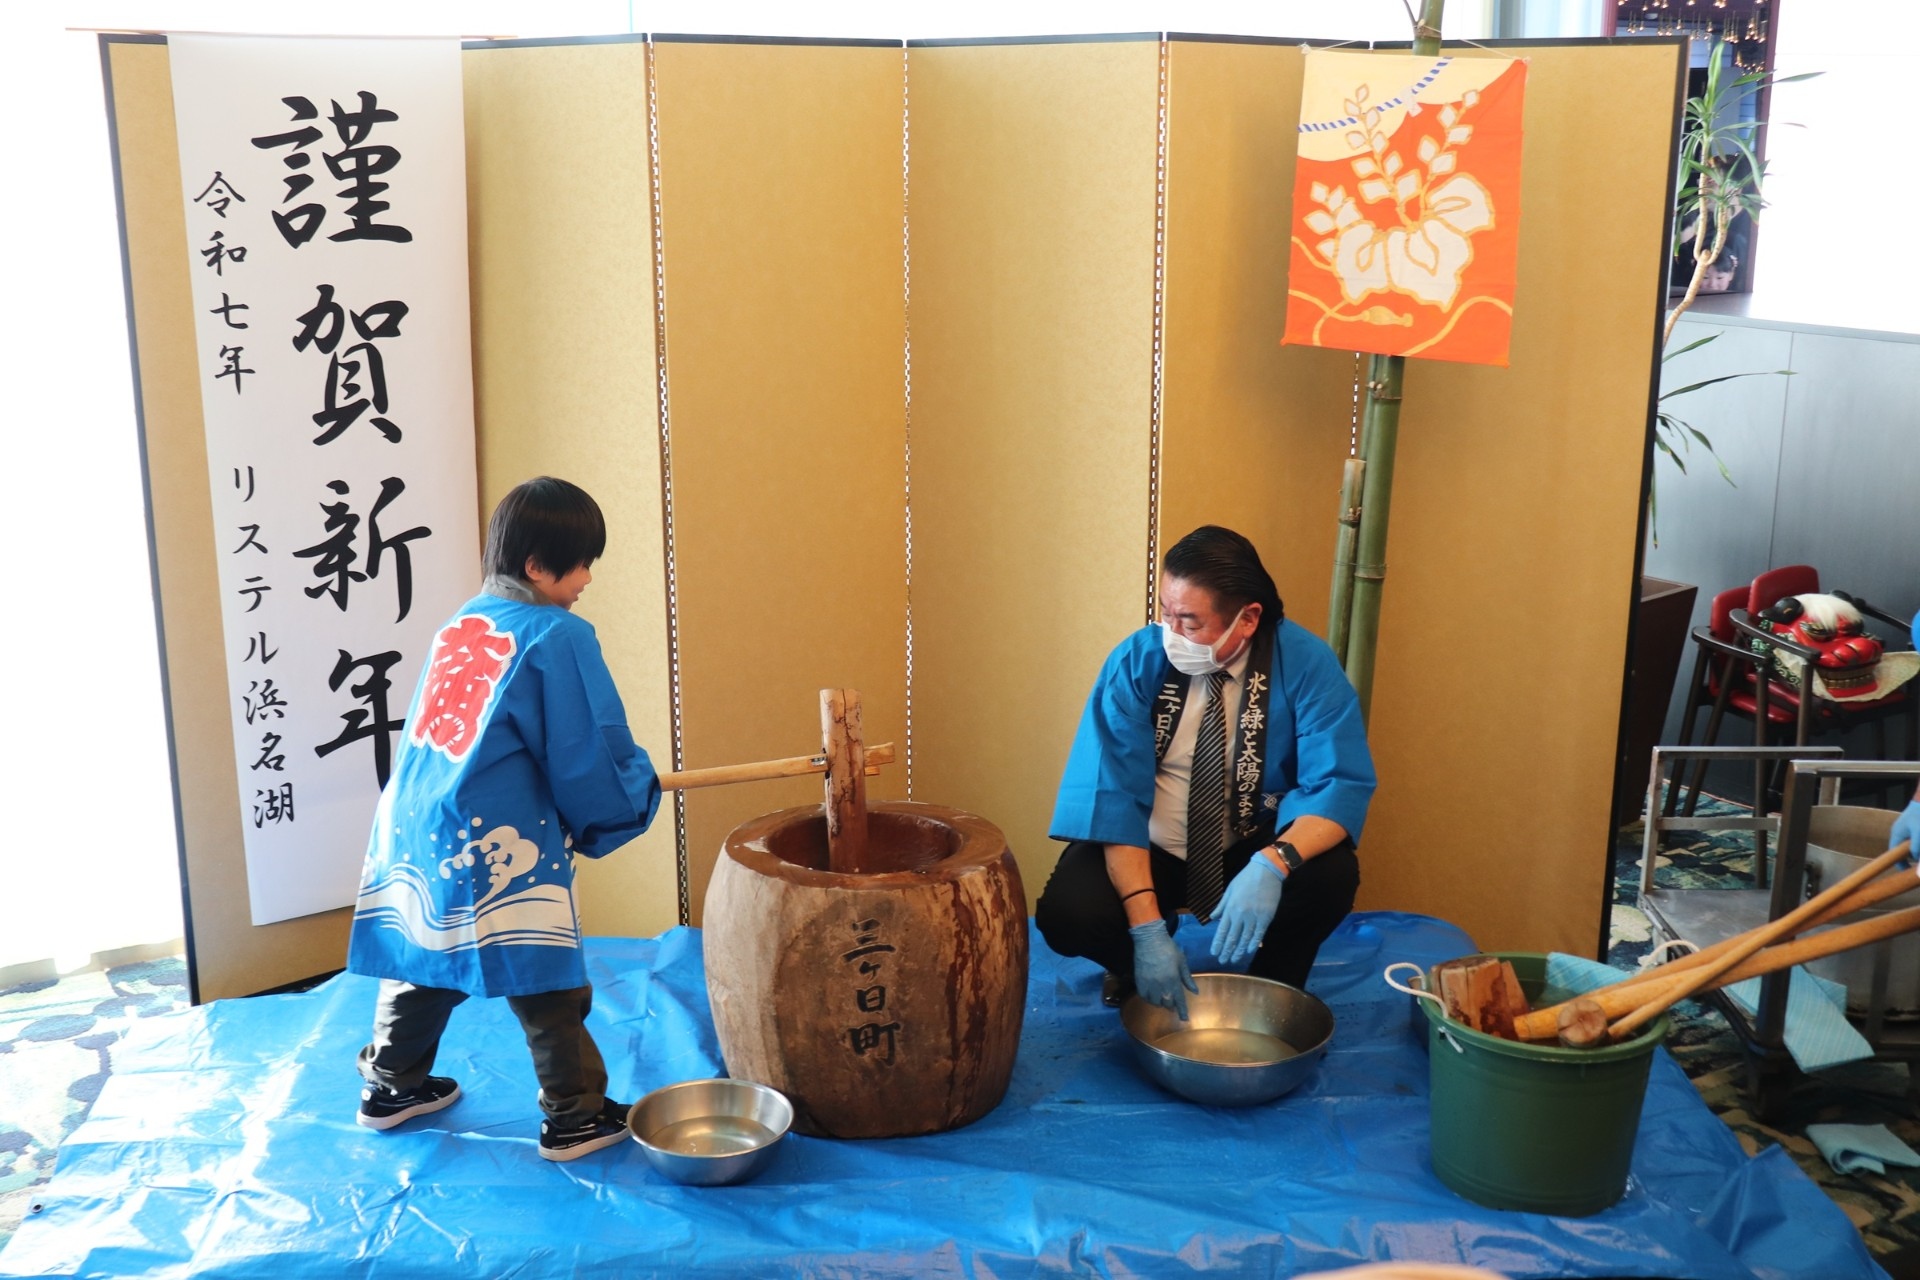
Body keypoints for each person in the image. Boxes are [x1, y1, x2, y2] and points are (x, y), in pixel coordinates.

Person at [345, 477, 663, 1162]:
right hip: (493, 832)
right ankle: (574, 1114)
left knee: (428, 955)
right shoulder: (556, 635)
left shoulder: (464, 622)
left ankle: (392, 1083)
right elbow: (587, 752)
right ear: (536, 566)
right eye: (580, 563)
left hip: (416, 818)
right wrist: (629, 799)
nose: (586, 580)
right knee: (543, 972)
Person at [1036, 526, 1376, 1018]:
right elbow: (1112, 796)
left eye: (1189, 622)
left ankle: (1271, 988)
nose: (1172, 633)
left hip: (1251, 842)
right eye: (1165, 614)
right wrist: (1146, 929)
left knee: (1330, 877)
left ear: (1247, 618)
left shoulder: (1305, 664)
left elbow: (1338, 783)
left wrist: (1273, 863)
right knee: (1070, 912)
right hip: (1152, 843)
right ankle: (1138, 965)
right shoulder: (1137, 660)